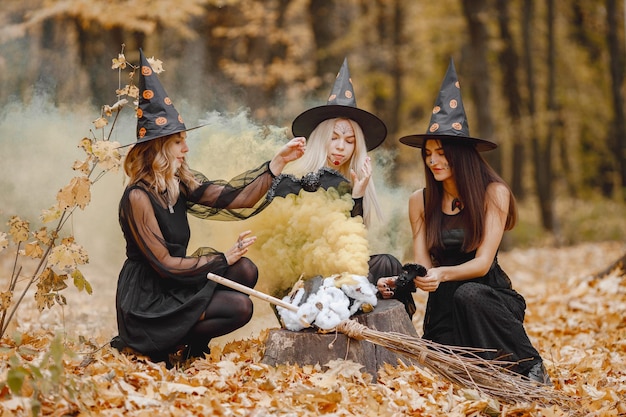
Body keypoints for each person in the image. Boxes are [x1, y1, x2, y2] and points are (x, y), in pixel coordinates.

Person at [110, 49, 306, 367]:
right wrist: (221, 258)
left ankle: (189, 347)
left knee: (245, 270)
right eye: (177, 142)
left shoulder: (178, 182)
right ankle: (168, 343)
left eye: (184, 140)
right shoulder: (138, 197)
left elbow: (235, 198)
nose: (186, 148)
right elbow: (165, 265)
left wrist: (278, 162)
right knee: (240, 307)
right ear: (157, 148)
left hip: (172, 281)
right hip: (149, 299)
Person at [398, 58, 551, 384]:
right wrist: (421, 276)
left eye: (441, 152)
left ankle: (531, 368)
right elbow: (424, 262)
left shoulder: (493, 193)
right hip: (444, 310)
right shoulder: (419, 201)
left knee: (469, 294)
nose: (433, 160)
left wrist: (443, 273)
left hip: (488, 302)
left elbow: (482, 264)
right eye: (428, 153)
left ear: (461, 154)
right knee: (454, 375)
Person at [267, 58, 415, 317]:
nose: (340, 147)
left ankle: (392, 344)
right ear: (321, 138)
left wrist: (357, 195)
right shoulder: (297, 180)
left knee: (388, 265)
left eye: (349, 141)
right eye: (334, 138)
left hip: (342, 270)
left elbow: (350, 245)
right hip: (304, 280)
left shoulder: (353, 183)